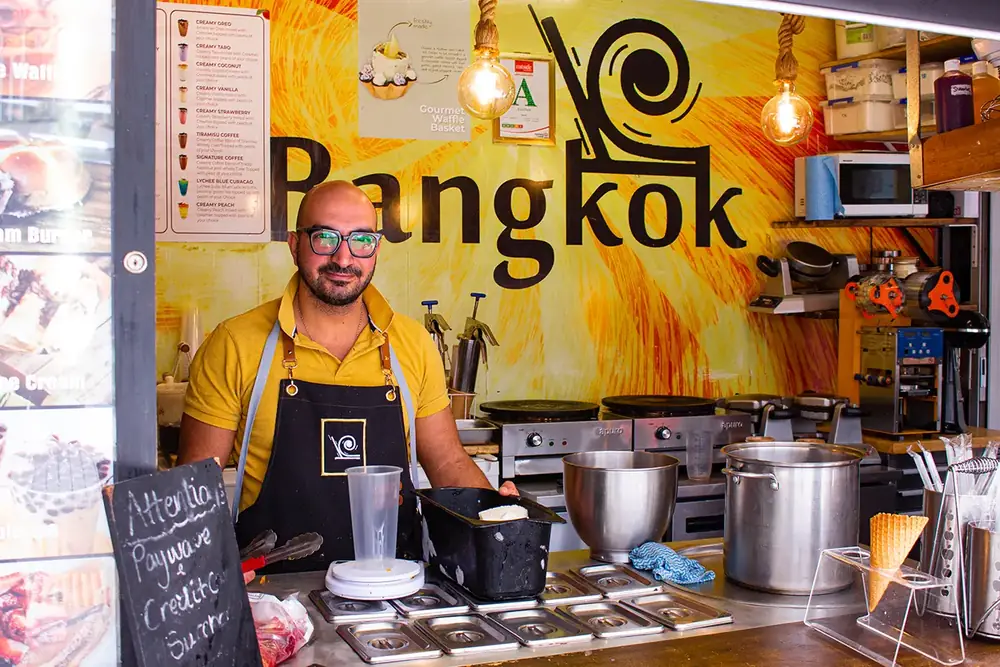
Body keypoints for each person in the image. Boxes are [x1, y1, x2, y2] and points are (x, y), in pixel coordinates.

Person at [178, 180, 516, 573]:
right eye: (325, 237)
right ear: (294, 245)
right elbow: (193, 491)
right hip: (274, 599)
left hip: (396, 589)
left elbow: (448, 462)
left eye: (361, 240)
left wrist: (497, 514)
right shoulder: (234, 344)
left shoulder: (412, 344)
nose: (343, 258)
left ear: (376, 249)